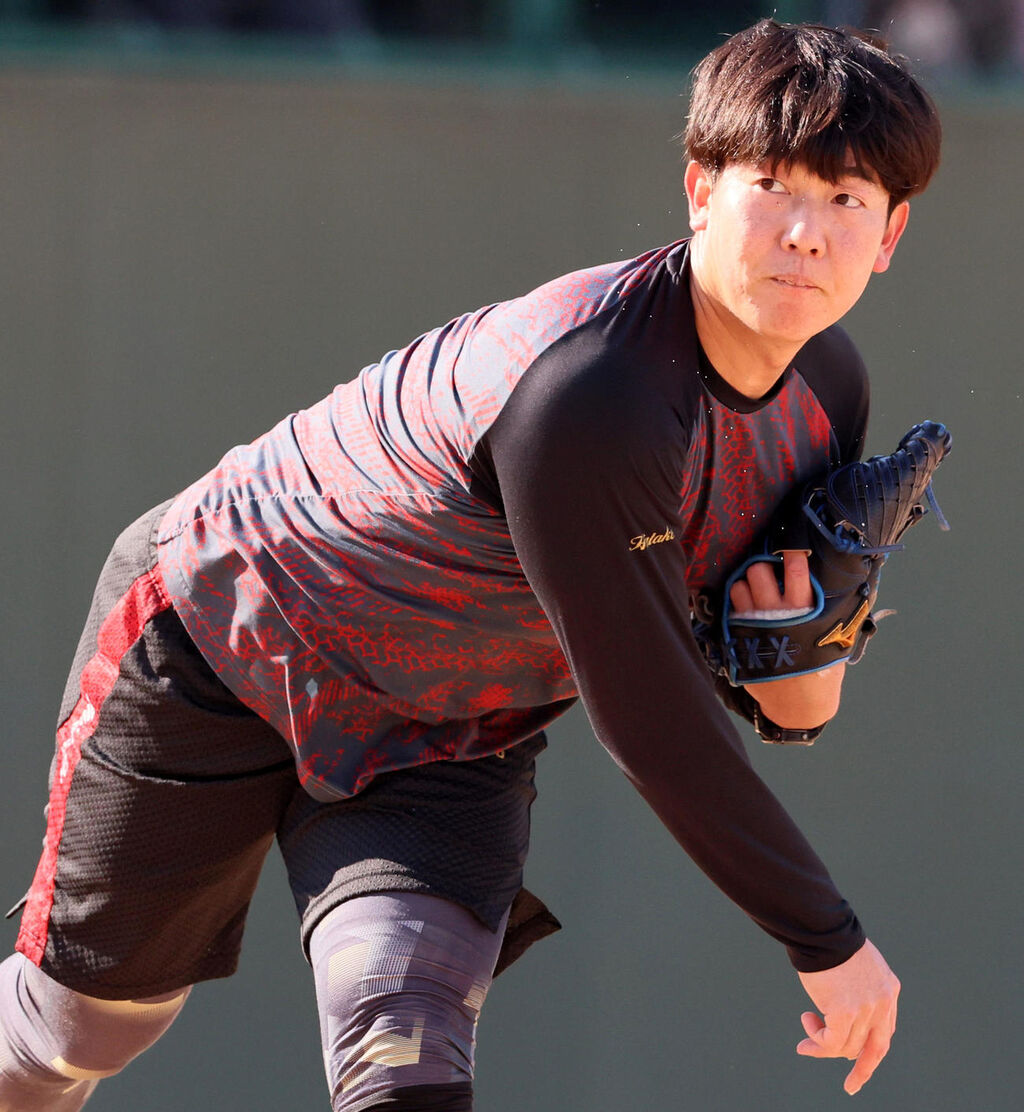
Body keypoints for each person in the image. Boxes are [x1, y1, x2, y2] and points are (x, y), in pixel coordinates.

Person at [0, 18, 942, 1110]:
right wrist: (826, 936)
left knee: (404, 1058)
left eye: (846, 198)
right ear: (699, 190)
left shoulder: (826, 386)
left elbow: (778, 687)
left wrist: (808, 668)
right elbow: (650, 719)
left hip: (448, 720)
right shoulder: (592, 394)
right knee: (76, 1032)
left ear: (890, 234)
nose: (805, 232)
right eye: (772, 184)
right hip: (226, 639)